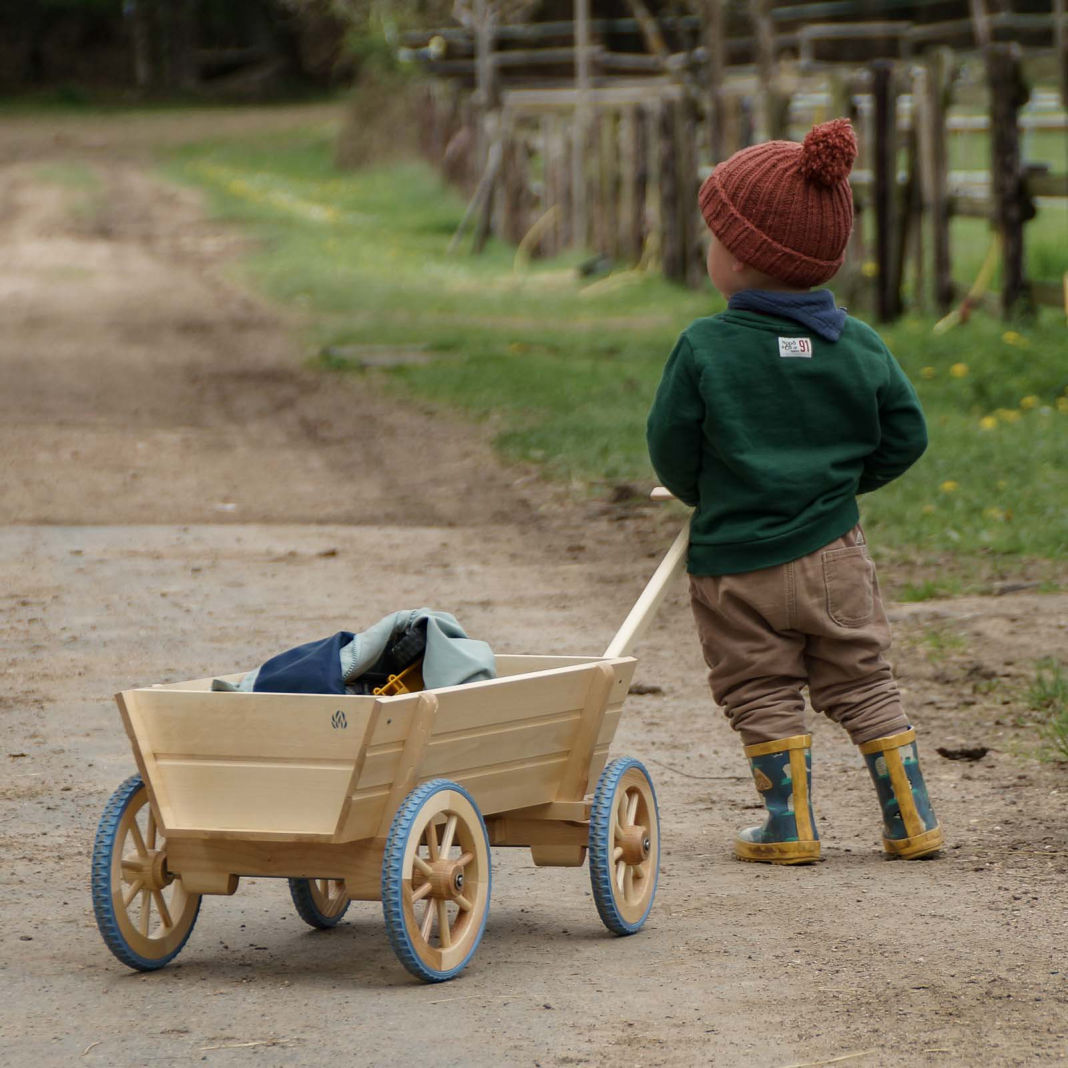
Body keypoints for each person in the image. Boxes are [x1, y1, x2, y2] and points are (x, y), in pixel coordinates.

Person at [646, 118, 942, 864]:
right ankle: (910, 818)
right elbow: (906, 436)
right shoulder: (861, 345)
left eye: (716, 239)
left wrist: (704, 491)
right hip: (833, 552)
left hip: (736, 561)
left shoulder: (705, 348)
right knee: (863, 679)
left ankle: (790, 825)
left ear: (741, 258)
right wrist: (836, 485)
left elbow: (672, 447)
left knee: (758, 687)